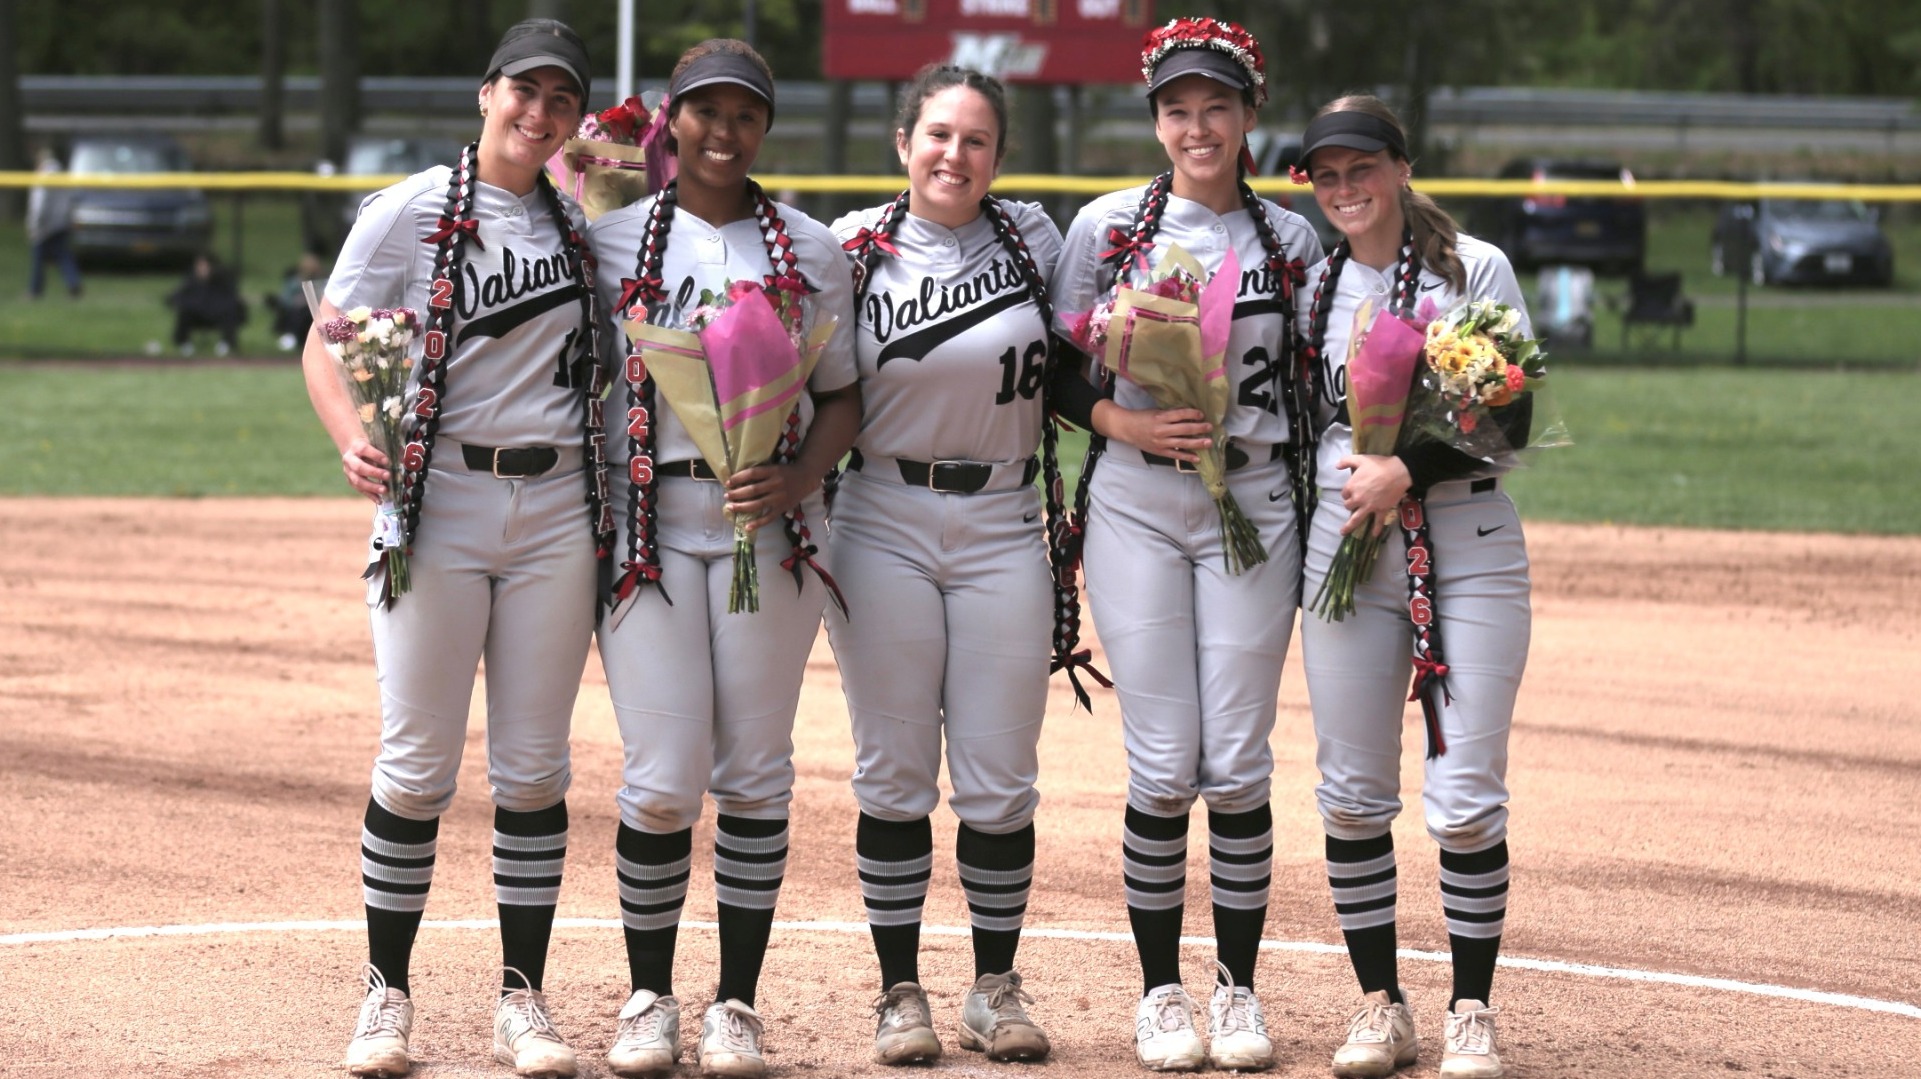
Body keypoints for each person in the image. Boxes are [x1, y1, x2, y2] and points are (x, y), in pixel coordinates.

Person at [300, 19, 611, 1079]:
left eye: (561, 99)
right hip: (438, 504)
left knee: (533, 767)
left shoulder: (578, 227)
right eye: (525, 90)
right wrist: (352, 432)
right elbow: (327, 336)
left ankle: (521, 998)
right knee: (418, 759)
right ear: (487, 94)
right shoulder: (410, 209)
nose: (540, 112)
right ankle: (386, 991)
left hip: (556, 513)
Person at [1048, 17, 1323, 1073]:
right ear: (1155, 119)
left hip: (1251, 500)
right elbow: (1062, 370)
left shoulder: (1289, 241)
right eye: (1176, 107)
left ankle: (1239, 988)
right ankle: (1161, 990)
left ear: (1249, 115)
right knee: (1162, 765)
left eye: (1216, 105)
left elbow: (1316, 383)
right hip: (1135, 501)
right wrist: (1121, 421)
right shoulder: (1110, 226)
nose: (1195, 124)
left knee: (1238, 761)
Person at [584, 39, 860, 1079]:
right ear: (672, 119)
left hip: (769, 527)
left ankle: (734, 1002)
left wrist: (798, 481)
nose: (723, 130)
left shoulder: (808, 247)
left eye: (744, 114)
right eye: (705, 110)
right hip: (646, 529)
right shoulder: (610, 243)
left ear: (764, 128)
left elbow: (841, 395)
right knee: (660, 782)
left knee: (752, 775)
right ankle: (648, 994)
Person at [828, 64, 1073, 1067]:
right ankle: (899, 992)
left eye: (975, 139)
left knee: (999, 776)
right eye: (936, 133)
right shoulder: (851, 246)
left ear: (997, 157)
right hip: (881, 509)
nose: (953, 154)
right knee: (893, 771)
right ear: (902, 142)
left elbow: (1090, 354)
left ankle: (992, 985)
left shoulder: (1034, 241)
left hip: (1007, 519)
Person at [1294, 95, 1533, 1079]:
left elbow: (1507, 418)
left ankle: (1469, 1008)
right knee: (1351, 795)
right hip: (1345, 538)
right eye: (1326, 173)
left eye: (1362, 167)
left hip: (1467, 536)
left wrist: (1409, 467)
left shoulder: (1466, 267)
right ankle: (1379, 1006)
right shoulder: (1312, 287)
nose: (1345, 188)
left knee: (1466, 794)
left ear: (1399, 167)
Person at [26, 146, 83, 300]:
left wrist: (35, 225)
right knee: (63, 255)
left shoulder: (42, 177)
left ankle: (35, 291)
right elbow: (70, 200)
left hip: (44, 225)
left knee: (38, 259)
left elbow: (39, 204)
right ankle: (73, 283)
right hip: (61, 223)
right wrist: (69, 219)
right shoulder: (62, 175)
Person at [167, 252, 247, 356]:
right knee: (185, 312)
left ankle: (226, 343)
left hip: (218, 315)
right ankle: (184, 343)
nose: (201, 268)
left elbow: (230, 298)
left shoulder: (222, 280)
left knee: (230, 311)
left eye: (204, 265)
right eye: (199, 265)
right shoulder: (192, 280)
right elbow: (180, 295)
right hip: (198, 315)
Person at [268, 250, 328, 351]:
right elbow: (285, 299)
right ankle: (291, 336)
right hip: (295, 310)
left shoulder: (321, 283)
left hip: (315, 311)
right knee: (298, 312)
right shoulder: (294, 283)